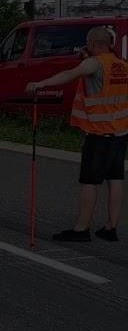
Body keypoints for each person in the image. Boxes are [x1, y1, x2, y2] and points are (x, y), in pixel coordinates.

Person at [25, 26, 128, 242]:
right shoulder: (121, 65)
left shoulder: (93, 63)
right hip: (120, 134)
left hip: (99, 134)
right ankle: (111, 228)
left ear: (93, 45)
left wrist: (41, 84)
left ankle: (82, 229)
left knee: (89, 181)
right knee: (115, 179)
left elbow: (69, 74)